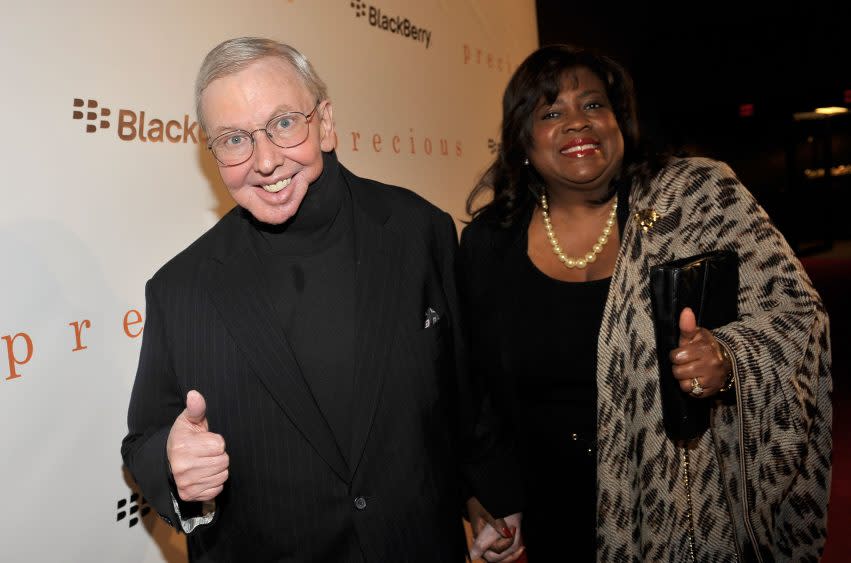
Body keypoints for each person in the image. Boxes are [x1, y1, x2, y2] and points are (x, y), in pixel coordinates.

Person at [121, 37, 525, 562]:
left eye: (284, 123)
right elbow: (144, 441)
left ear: (326, 122)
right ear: (213, 152)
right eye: (234, 139)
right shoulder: (180, 288)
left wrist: (489, 492)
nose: (265, 161)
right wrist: (173, 466)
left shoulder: (417, 230)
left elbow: (464, 389)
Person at [458, 44, 832, 561]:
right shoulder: (488, 243)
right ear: (522, 141)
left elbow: (796, 314)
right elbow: (475, 383)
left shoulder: (696, 200)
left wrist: (727, 357)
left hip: (688, 500)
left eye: (593, 105)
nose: (576, 123)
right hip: (556, 509)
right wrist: (491, 492)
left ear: (619, 122)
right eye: (550, 112)